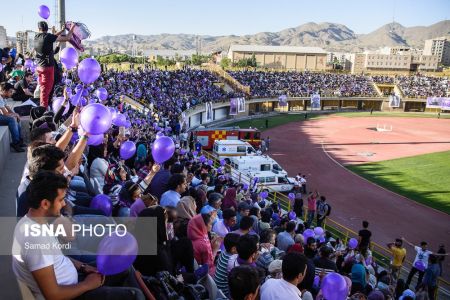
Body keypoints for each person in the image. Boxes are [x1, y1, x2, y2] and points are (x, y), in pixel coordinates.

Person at [12, 171, 145, 299]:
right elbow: (53, 295)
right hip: (70, 294)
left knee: (124, 269)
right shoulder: (35, 239)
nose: (64, 204)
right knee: (136, 295)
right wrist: (87, 285)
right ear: (45, 204)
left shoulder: (36, 221)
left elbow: (58, 258)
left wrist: (83, 267)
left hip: (75, 279)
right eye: (61, 200)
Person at [34, 21, 75, 108]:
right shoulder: (48, 37)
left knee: (43, 89)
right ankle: (43, 110)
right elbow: (67, 38)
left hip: (39, 67)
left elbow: (53, 37)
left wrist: (61, 30)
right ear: (46, 29)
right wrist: (72, 28)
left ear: (39, 29)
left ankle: (44, 106)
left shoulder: (37, 36)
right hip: (47, 68)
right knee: (46, 91)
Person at [0, 82, 25, 152]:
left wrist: (15, 114)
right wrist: (14, 115)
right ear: (4, 91)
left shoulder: (3, 97)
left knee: (14, 118)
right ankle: (15, 143)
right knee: (11, 120)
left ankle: (19, 140)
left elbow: (9, 110)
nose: (12, 93)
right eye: (10, 92)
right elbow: (5, 113)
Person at [214, 233, 240, 297]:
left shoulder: (223, 253)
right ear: (233, 249)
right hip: (225, 291)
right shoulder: (232, 260)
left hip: (216, 286)